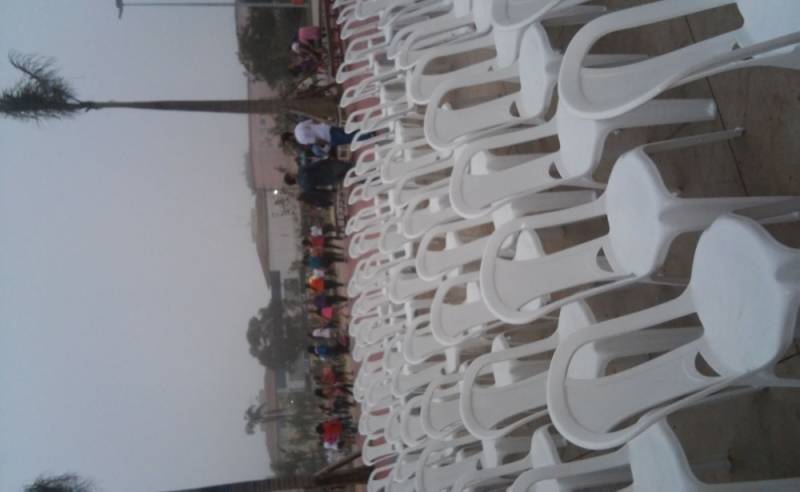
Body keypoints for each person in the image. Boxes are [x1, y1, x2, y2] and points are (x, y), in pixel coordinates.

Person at [284, 158, 353, 194]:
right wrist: (326, 160)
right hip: (330, 168)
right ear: (291, 177)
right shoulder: (301, 171)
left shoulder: (304, 188)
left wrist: (332, 190)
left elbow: (319, 191)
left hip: (331, 181)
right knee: (351, 167)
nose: (292, 172)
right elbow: (315, 164)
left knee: (352, 177)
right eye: (291, 174)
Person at [282, 119, 362, 149]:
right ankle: (364, 128)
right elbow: (313, 121)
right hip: (326, 127)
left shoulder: (301, 140)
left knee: (350, 138)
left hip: (327, 137)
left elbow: (316, 140)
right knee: (348, 131)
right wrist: (323, 123)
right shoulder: (298, 126)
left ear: (289, 138)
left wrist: (327, 143)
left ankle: (368, 135)